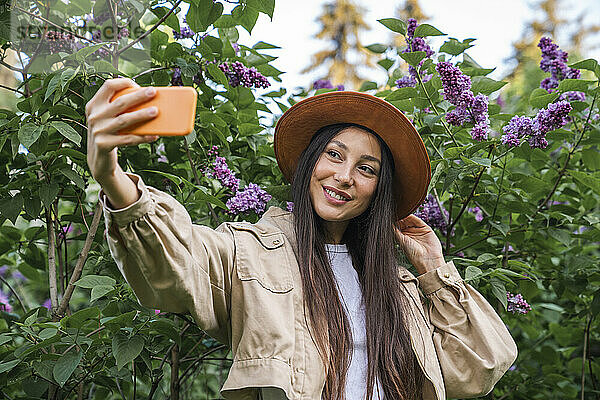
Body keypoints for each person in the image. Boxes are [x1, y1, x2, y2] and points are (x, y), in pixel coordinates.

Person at [86, 78, 518, 400]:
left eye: (366, 169)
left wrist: (435, 272)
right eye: (334, 154)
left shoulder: (400, 288)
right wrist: (113, 177)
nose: (344, 176)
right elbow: (177, 263)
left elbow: (481, 366)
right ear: (311, 162)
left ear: (378, 191)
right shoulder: (252, 253)